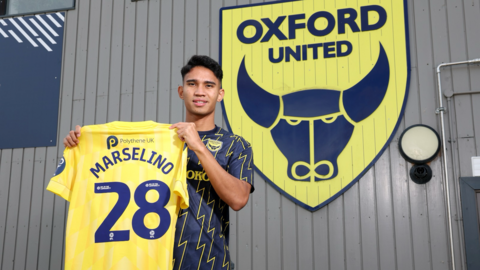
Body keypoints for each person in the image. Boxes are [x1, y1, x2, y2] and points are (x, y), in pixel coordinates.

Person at [63, 55, 254, 270]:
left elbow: (238, 199)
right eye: (192, 84)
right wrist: (85, 144)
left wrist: (198, 146)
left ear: (220, 94)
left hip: (208, 262)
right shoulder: (155, 142)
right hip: (150, 260)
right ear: (181, 91)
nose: (200, 91)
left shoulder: (235, 144)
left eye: (208, 86)